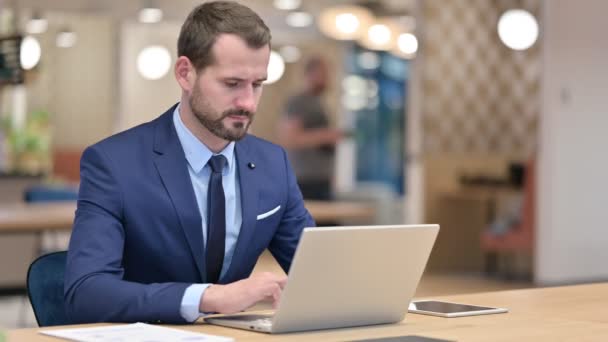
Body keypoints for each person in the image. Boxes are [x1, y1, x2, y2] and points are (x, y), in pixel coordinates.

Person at [64, 1, 314, 324]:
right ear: (185, 73)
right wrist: (208, 297)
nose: (248, 103)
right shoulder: (113, 164)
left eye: (257, 84)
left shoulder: (273, 164)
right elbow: (85, 292)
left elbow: (319, 273)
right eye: (232, 84)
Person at [277, 57, 343, 200]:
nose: (328, 79)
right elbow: (289, 139)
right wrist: (326, 136)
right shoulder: (299, 102)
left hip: (320, 179)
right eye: (324, 74)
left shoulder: (319, 103)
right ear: (311, 74)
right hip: (305, 180)